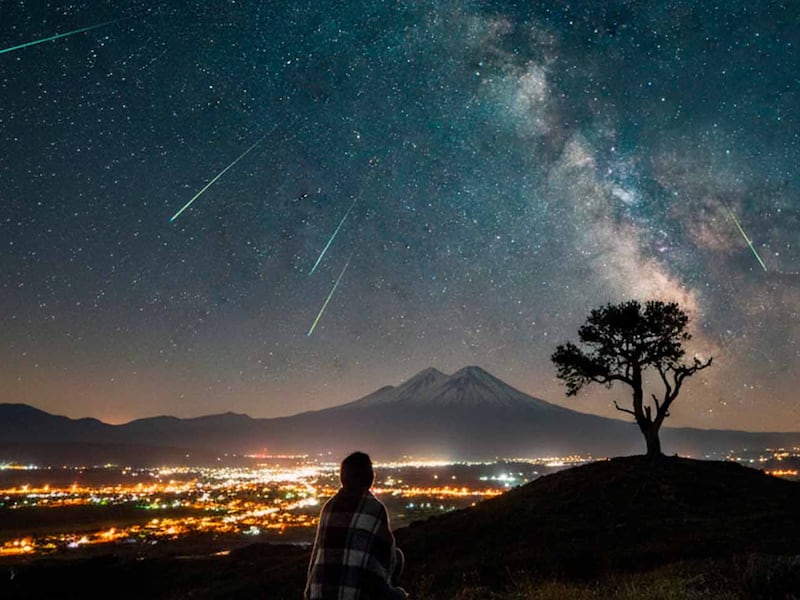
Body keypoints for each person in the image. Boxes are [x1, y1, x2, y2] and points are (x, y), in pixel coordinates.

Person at [305, 451, 408, 599]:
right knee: (398, 560)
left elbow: (315, 558)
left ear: (342, 478)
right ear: (370, 478)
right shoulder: (375, 509)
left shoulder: (329, 507)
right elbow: (388, 559)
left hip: (319, 595)